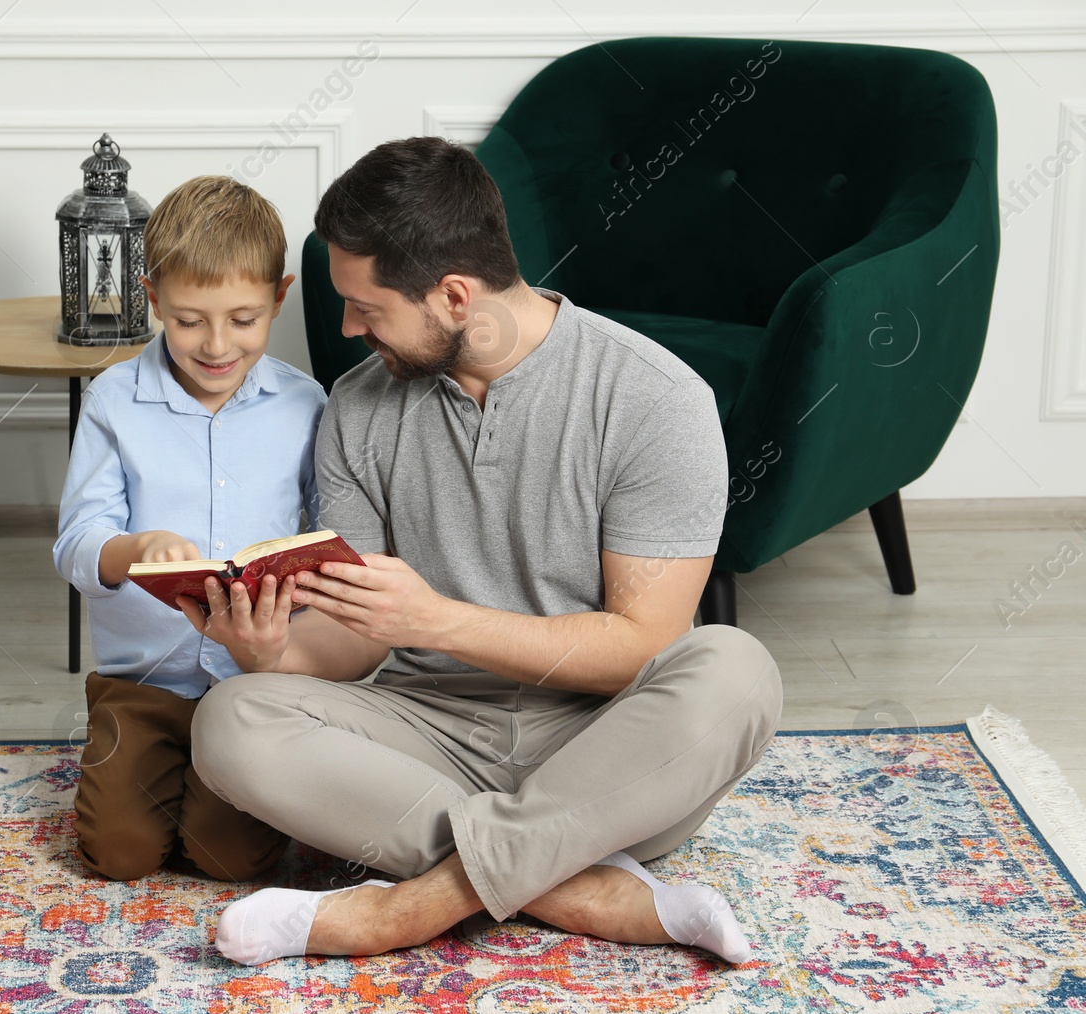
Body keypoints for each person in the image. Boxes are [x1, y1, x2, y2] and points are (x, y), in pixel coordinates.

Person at [185, 137, 783, 965]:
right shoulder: (358, 409)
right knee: (232, 720)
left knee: (737, 670)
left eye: (368, 307)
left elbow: (639, 648)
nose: (350, 329)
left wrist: (437, 620)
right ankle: (583, 881)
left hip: (606, 741)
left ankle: (402, 910)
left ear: (454, 294)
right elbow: (361, 638)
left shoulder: (657, 401)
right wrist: (270, 648)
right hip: (427, 732)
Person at [53, 175, 326, 883]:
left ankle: (208, 792)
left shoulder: (307, 404)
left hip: (254, 682)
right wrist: (133, 549)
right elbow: (76, 541)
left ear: (279, 296)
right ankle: (147, 773)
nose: (214, 344)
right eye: (187, 319)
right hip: (141, 686)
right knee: (119, 855)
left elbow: (329, 535)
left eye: (242, 319)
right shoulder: (114, 400)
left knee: (226, 858)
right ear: (150, 297)